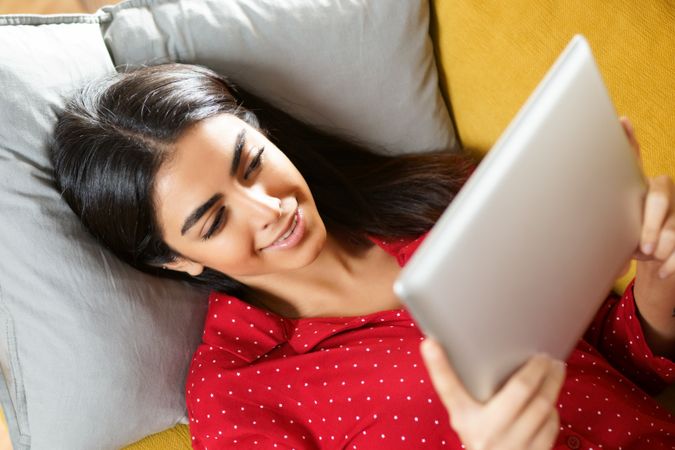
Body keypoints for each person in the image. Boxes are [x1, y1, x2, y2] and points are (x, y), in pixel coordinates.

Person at [50, 63, 674, 450]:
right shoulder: (236, 399)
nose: (269, 208)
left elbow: (615, 360)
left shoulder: (450, 201)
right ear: (176, 260)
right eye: (213, 220)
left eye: (252, 163)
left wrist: (656, 287)